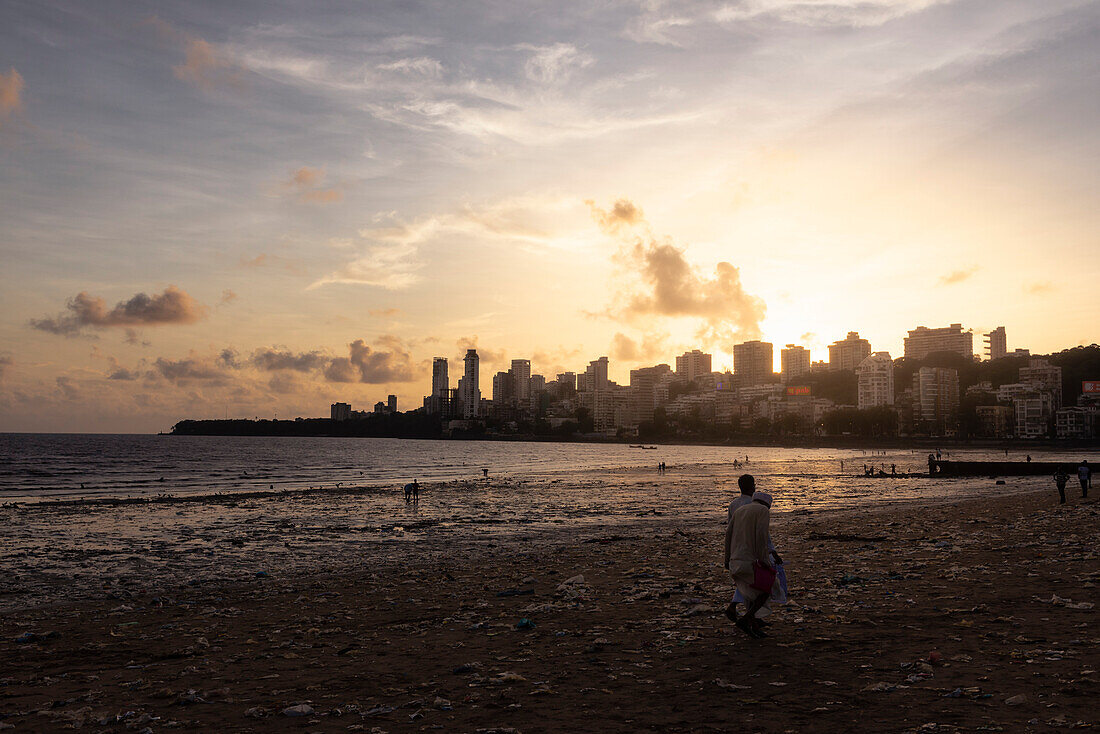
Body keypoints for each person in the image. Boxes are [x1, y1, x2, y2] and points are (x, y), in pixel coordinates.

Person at [724, 489, 781, 638]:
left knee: (751, 594)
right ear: (767, 504)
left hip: (735, 560)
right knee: (767, 589)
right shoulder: (762, 511)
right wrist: (765, 561)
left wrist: (726, 559)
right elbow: (761, 537)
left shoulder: (740, 510)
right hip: (749, 561)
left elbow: (728, 535)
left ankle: (753, 626)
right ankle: (747, 618)